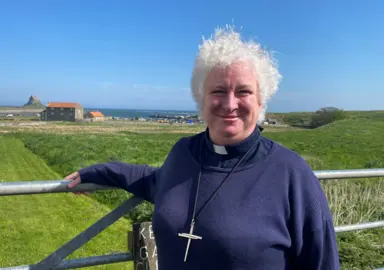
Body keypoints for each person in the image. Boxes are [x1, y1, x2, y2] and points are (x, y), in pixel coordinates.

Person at [66, 25, 340, 270]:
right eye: (218, 91)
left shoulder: (292, 174)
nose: (230, 104)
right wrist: (99, 172)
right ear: (201, 98)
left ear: (261, 101)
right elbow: (156, 182)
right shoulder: (184, 152)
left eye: (243, 91)